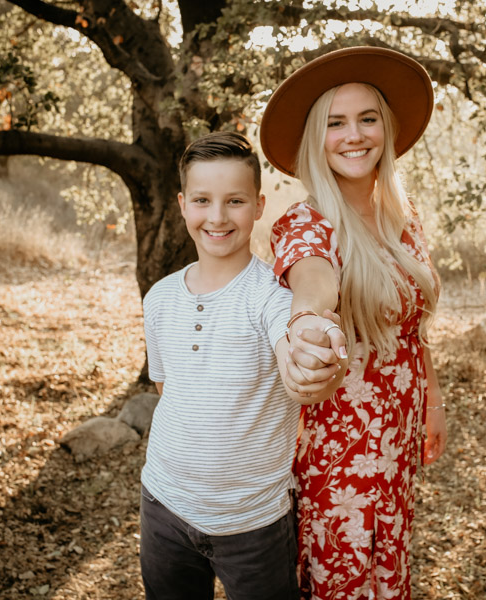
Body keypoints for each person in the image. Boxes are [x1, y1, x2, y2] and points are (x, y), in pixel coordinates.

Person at [260, 46, 449, 598]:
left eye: (367, 119)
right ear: (316, 139)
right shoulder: (306, 223)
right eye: (335, 123)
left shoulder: (402, 218)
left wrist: (433, 400)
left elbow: (412, 328)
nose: (354, 135)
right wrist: (307, 321)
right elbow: (313, 283)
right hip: (340, 445)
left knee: (388, 561)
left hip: (399, 430)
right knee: (342, 575)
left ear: (385, 129)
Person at [139, 131, 345, 600]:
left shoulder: (273, 299)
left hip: (254, 524)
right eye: (202, 200)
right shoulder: (159, 298)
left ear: (258, 206)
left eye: (234, 201)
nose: (217, 216)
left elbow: (298, 354)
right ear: (182, 205)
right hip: (163, 506)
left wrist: (313, 360)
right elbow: (167, 390)